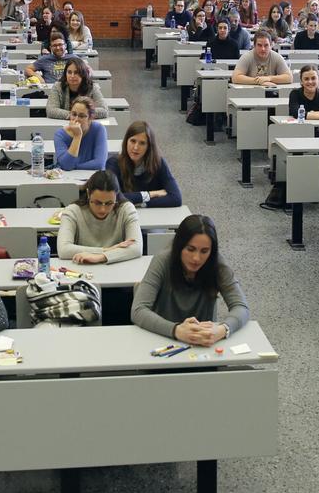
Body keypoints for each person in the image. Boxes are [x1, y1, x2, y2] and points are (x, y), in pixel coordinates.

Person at [131, 213, 249, 343]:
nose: (196, 258)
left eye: (204, 251)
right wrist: (176, 330)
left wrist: (222, 329)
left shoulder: (217, 263)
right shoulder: (163, 260)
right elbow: (138, 310)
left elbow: (241, 307)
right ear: (179, 246)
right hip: (164, 340)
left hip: (203, 343)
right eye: (190, 249)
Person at [57, 170, 142, 265]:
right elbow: (63, 249)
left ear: (116, 197)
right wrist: (107, 249)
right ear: (88, 193)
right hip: (82, 269)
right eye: (97, 202)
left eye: (109, 203)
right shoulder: (73, 211)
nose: (103, 209)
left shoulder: (126, 209)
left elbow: (137, 248)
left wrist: (101, 257)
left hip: (117, 268)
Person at [105, 121, 183, 208]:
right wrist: (150, 194)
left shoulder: (159, 163)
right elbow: (112, 197)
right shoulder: (113, 163)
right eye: (133, 141)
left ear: (149, 146)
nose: (135, 147)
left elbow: (176, 198)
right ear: (126, 141)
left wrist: (142, 203)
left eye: (142, 143)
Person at [54, 96, 108, 170]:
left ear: (90, 118)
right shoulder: (60, 135)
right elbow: (66, 165)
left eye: (82, 116)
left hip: (92, 177)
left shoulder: (99, 129)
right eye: (74, 114)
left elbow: (99, 164)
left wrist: (75, 167)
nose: (76, 119)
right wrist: (77, 136)